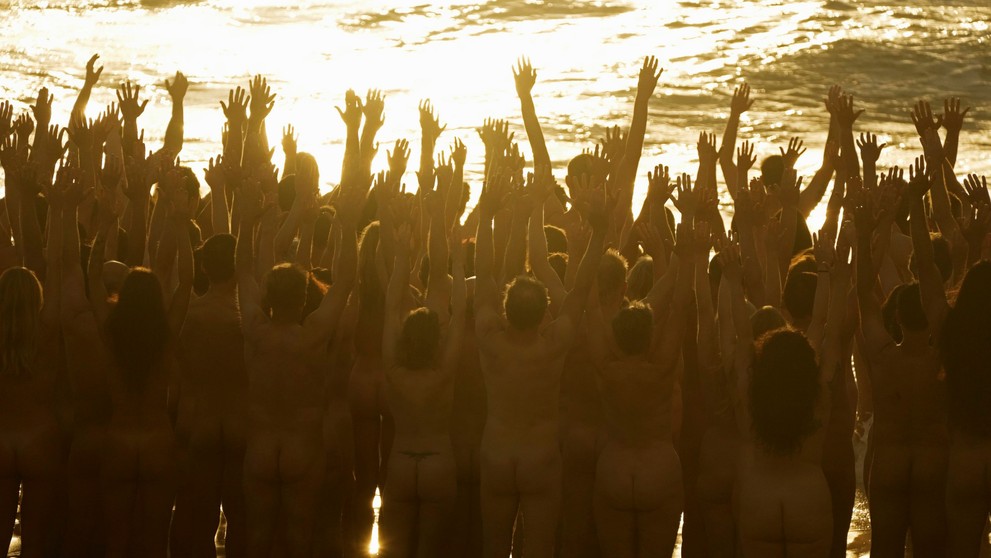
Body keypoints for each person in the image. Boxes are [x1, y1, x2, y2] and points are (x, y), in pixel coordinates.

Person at [475, 164, 606, 558]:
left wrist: (485, 216)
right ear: (544, 311)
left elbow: (483, 276)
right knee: (539, 550)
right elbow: (581, 288)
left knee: (494, 548)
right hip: (541, 459)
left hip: (497, 455)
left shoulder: (490, 339)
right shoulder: (554, 344)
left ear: (506, 308)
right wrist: (599, 232)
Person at [236, 153, 359, 557]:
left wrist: (252, 219)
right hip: (303, 450)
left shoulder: (256, 329)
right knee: (299, 539)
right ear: (306, 296)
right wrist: (346, 222)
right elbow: (344, 282)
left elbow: (242, 271)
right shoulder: (314, 335)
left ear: (269, 297)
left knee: (257, 539)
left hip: (260, 448)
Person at [727, 224, 850, 557]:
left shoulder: (751, 395)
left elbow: (741, 335)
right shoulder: (817, 396)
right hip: (808, 499)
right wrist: (829, 272)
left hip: (759, 500)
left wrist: (731, 278)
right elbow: (827, 326)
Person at [856, 164, 948, 557]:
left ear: (896, 317)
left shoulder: (881, 354)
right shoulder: (942, 354)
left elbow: (863, 291)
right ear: (930, 316)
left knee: (885, 549)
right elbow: (928, 272)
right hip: (931, 462)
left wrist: (865, 232)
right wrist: (916, 204)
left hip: (889, 461)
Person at [378, 214, 466, 557]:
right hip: (438, 463)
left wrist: (401, 258)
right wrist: (457, 264)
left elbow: (389, 308)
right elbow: (458, 312)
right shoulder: (444, 370)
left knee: (395, 552)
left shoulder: (393, 369)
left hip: (401, 462)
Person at [170, 232, 249, 558]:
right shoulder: (247, 320)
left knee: (195, 521)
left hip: (196, 420)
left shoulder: (189, 316)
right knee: (242, 522)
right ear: (239, 268)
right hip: (238, 423)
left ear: (204, 268)